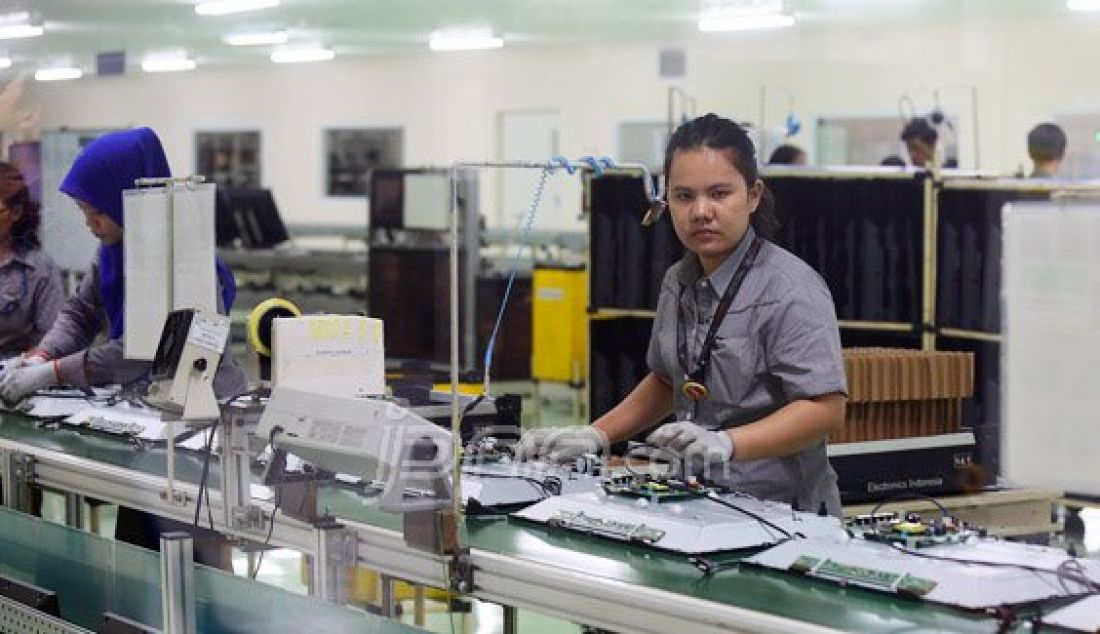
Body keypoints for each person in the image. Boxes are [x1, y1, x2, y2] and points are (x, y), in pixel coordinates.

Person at [516, 114, 848, 515]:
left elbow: (825, 410)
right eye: (684, 196)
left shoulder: (790, 290)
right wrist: (595, 434)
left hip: (782, 513)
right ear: (666, 201)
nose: (701, 211)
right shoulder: (679, 281)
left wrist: (728, 443)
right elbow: (667, 379)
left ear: (754, 195)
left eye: (719, 193)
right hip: (697, 501)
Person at [0, 127, 246, 403]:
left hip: (207, 407)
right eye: (83, 211)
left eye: (97, 212)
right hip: (147, 400)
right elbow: (81, 314)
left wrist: (54, 372)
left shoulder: (181, 261)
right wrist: (41, 355)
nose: (89, 223)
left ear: (125, 199)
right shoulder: (111, 252)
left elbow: (141, 351)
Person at [0, 162, 64, 356]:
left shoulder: (39, 269)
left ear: (16, 213)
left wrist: (30, 361)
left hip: (13, 373)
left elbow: (53, 338)